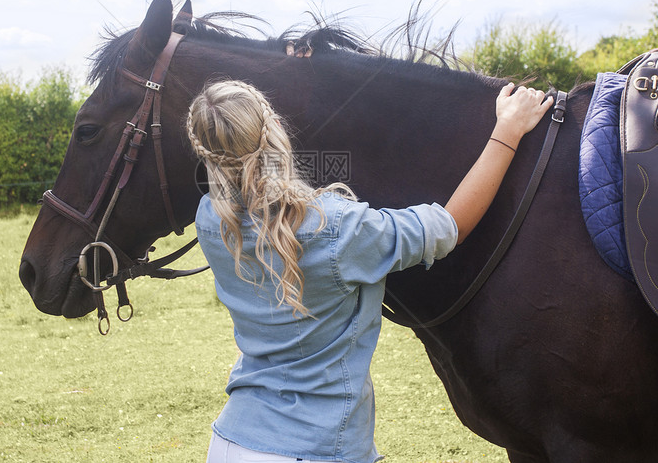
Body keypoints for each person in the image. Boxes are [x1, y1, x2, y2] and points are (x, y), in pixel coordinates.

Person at [185, 79, 553, 463]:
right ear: (274, 125)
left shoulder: (211, 219)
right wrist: (506, 132)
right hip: (316, 451)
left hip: (231, 442)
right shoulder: (340, 228)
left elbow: (256, 189)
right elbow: (452, 227)